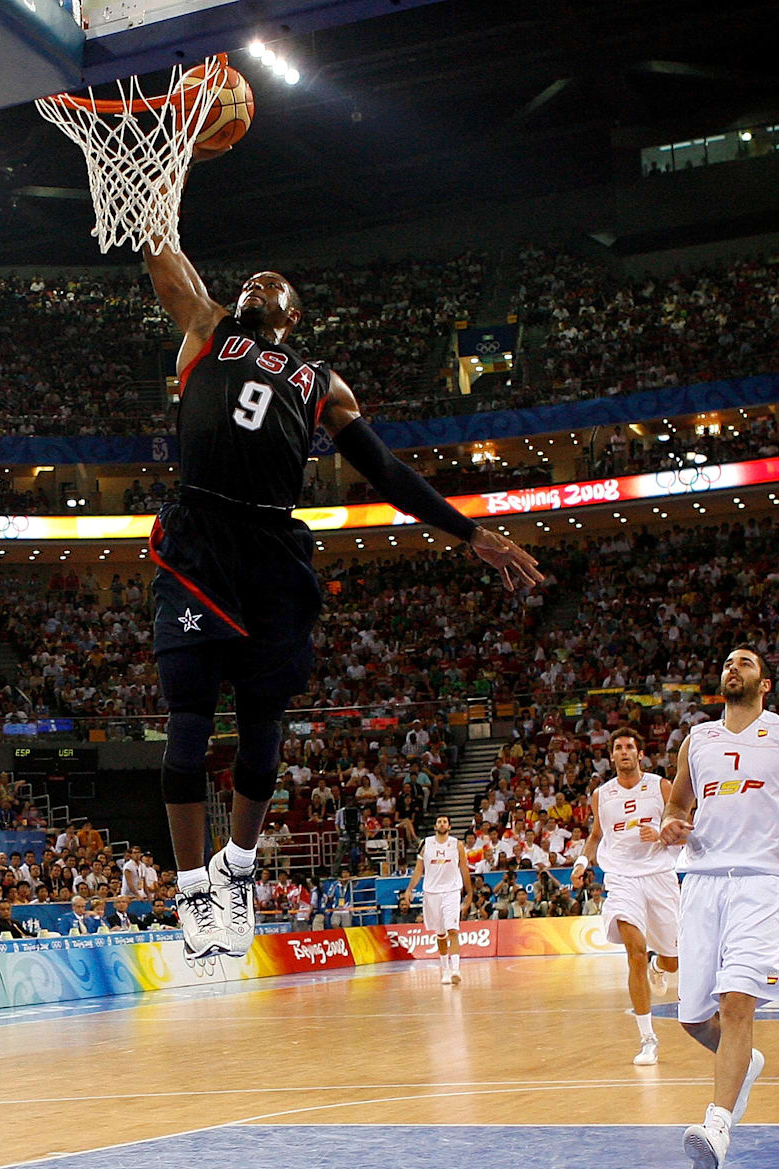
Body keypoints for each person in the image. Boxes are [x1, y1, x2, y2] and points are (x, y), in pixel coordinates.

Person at [141, 236, 544, 962]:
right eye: (254, 278)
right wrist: (162, 172)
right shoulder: (204, 328)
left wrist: (468, 532)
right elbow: (161, 257)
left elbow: (384, 469)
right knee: (190, 716)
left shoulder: (323, 384)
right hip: (200, 535)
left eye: (277, 280)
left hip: (268, 551)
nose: (262, 281)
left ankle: (236, 867)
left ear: (292, 317)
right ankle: (191, 885)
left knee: (264, 718)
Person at [659, 647, 779, 1169]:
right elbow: (677, 804)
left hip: (762, 881)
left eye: (746, 662)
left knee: (737, 1000)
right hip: (703, 882)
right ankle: (745, 1063)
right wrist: (671, 821)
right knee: (693, 1017)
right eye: (728, 662)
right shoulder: (697, 740)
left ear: (765, 684)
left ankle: (716, 1128)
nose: (733, 667)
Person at [571, 725, 678, 1066]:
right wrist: (581, 861)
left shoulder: (661, 785)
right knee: (633, 951)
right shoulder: (602, 794)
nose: (624, 751)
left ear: (640, 753)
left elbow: (682, 825)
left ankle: (659, 966)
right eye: (618, 747)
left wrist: (661, 833)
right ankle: (648, 1038)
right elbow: (596, 834)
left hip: (659, 875)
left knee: (673, 959)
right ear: (612, 755)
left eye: (630, 746)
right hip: (621, 877)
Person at [399, 816, 472, 984]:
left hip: (452, 890)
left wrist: (469, 892)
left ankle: (455, 970)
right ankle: (445, 970)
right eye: (439, 821)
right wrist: (409, 889)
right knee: (440, 934)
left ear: (450, 826)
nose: (442, 824)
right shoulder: (426, 844)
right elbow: (418, 870)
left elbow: (463, 868)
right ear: (434, 826)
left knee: (453, 930)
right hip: (432, 892)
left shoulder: (457, 844)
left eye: (445, 822)